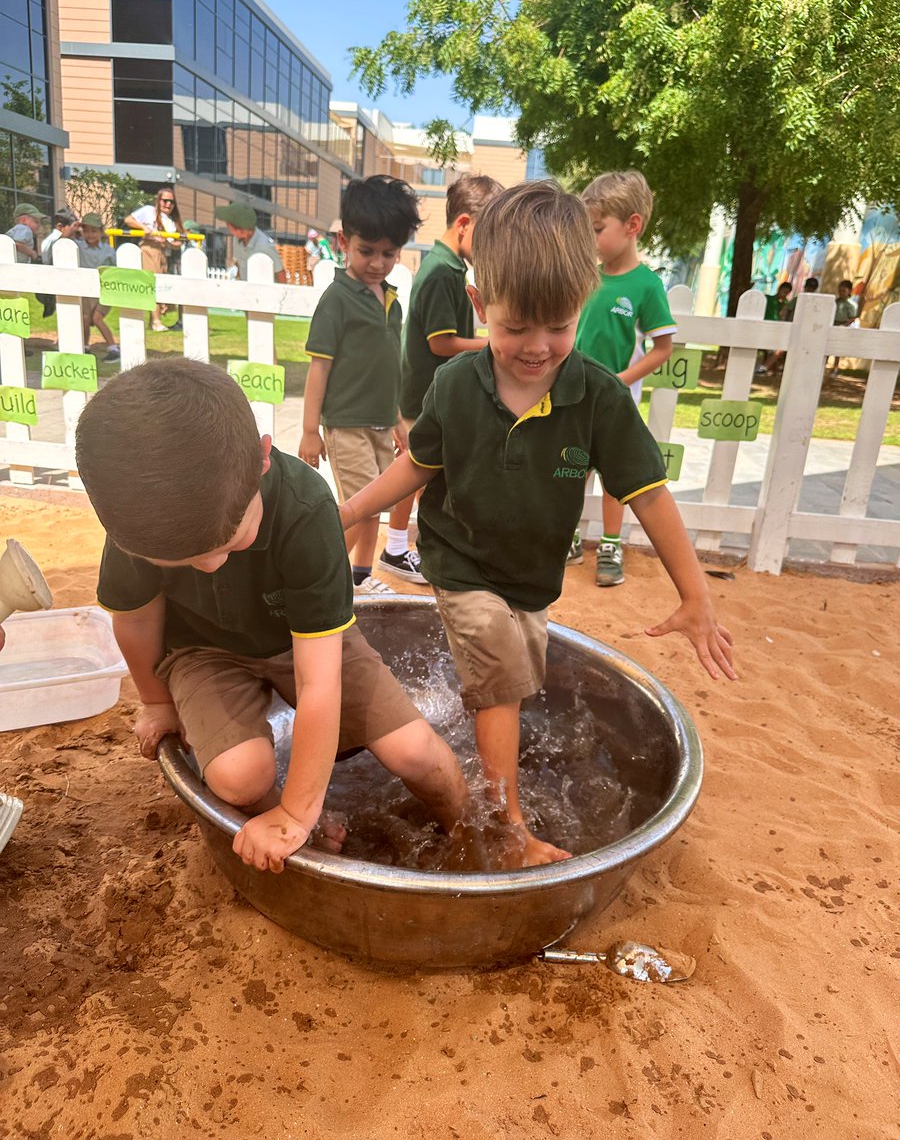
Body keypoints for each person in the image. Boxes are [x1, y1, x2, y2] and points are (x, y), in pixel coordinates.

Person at [338, 181, 736, 867]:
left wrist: (695, 594)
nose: (536, 346)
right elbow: (417, 469)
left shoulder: (599, 397)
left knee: (514, 678)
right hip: (459, 561)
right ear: (480, 304)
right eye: (515, 326)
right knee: (497, 660)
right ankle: (509, 831)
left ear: (581, 305)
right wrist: (345, 511)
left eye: (558, 326)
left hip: (531, 578)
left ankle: (474, 757)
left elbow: (649, 495)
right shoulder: (457, 385)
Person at [74, 358, 468, 874]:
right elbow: (137, 620)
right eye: (186, 562)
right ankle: (301, 823)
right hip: (203, 651)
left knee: (415, 752)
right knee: (239, 777)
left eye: (230, 542)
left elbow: (319, 681)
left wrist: (295, 810)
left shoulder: (306, 511)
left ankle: (473, 833)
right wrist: (157, 702)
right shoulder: (143, 521)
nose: (212, 565)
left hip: (302, 640)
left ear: (263, 458)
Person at [300, 176, 422, 595]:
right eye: (366, 251)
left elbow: (390, 370)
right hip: (346, 424)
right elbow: (319, 368)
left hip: (379, 424)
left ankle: (360, 577)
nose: (377, 262)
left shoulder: (391, 300)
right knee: (357, 508)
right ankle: (317, 579)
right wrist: (309, 431)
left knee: (375, 507)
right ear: (343, 240)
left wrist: (398, 420)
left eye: (389, 253)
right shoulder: (336, 300)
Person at [383, 174, 504, 584]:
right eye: (488, 236)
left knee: (427, 470)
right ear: (465, 224)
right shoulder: (441, 272)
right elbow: (441, 343)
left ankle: (405, 544)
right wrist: (492, 343)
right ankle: (395, 548)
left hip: (435, 395)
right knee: (415, 469)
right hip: (421, 397)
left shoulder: (451, 269)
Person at [573, 170, 678, 586]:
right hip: (574, 394)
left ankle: (611, 544)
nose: (591, 238)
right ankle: (567, 537)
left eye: (597, 229)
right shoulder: (584, 275)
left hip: (615, 402)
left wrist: (620, 379)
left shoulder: (647, 285)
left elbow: (663, 349)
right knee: (570, 467)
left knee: (613, 475)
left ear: (632, 225)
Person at [124, 188, 183, 332]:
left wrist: (168, 243)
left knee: (161, 285)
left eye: (171, 202)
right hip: (149, 249)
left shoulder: (172, 222)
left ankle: (154, 320)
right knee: (153, 284)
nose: (168, 204)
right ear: (159, 200)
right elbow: (128, 220)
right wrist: (144, 227)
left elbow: (178, 242)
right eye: (165, 201)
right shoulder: (148, 210)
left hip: (164, 252)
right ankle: (156, 321)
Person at [76, 213, 119, 361]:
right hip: (86, 290)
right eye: (86, 231)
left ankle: (113, 348)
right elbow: (61, 243)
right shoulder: (79, 246)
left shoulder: (108, 251)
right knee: (85, 318)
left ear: (101, 231)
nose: (90, 234)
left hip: (104, 290)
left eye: (94, 231)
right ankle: (85, 347)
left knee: (97, 317)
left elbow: (115, 271)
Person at [214, 204, 286, 284]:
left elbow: (281, 273)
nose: (227, 226)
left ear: (240, 230)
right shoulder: (236, 240)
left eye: (228, 224)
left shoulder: (265, 246)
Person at [36, 208, 80, 318]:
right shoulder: (53, 240)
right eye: (74, 226)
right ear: (60, 227)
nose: (77, 229)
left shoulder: (63, 240)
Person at [829, 279, 857, 377]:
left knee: (837, 348)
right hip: (833, 324)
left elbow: (852, 318)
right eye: (839, 291)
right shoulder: (835, 302)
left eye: (843, 291)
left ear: (849, 291)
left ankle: (835, 367)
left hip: (843, 325)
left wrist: (843, 326)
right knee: (828, 345)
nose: (841, 293)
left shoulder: (851, 305)